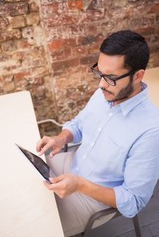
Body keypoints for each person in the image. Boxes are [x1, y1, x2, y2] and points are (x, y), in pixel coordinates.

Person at [36, 30, 159, 237]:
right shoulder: (105, 92)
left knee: (35, 226)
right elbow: (79, 124)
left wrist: (80, 185)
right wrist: (61, 138)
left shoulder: (151, 132)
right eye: (99, 73)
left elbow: (133, 201)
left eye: (110, 78)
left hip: (91, 198)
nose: (100, 84)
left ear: (138, 76)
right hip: (70, 166)